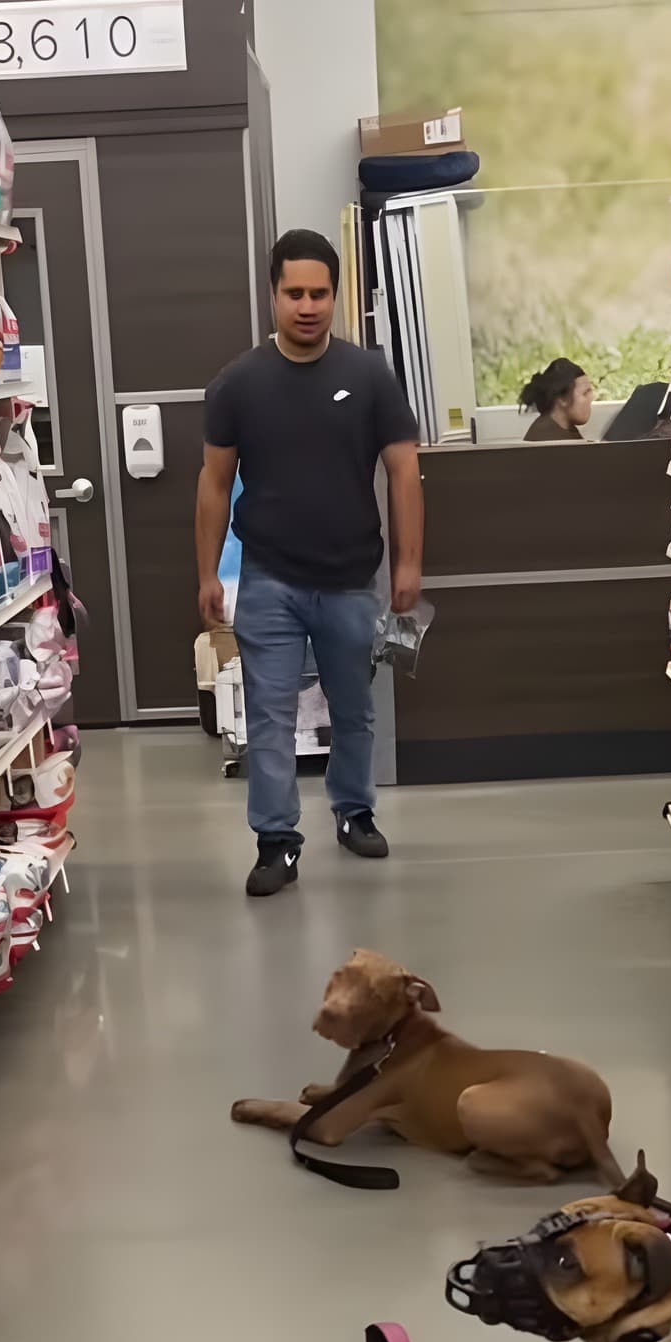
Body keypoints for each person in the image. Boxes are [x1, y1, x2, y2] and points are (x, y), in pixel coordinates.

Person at [196, 227, 424, 899]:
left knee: (352, 709)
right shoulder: (237, 385)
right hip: (268, 578)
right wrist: (208, 573)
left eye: (319, 293)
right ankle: (276, 843)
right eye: (293, 292)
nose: (307, 305)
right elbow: (213, 484)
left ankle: (354, 813)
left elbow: (405, 472)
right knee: (269, 715)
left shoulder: (368, 377)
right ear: (272, 296)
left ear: (335, 297)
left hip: (352, 577)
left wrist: (409, 565)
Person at [519, 358, 594, 442]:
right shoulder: (546, 436)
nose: (591, 397)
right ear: (562, 399)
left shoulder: (567, 429)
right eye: (585, 393)